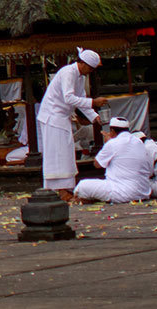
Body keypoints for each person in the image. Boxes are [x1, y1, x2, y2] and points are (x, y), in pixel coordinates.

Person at [38, 48, 109, 199]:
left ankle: (66, 186)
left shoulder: (80, 77)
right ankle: (57, 188)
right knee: (57, 152)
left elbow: (80, 98)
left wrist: (94, 116)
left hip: (62, 116)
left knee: (67, 151)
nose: (90, 71)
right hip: (52, 115)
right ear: (82, 64)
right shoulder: (68, 72)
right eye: (90, 68)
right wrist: (94, 101)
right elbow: (69, 98)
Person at [75, 117, 153, 202]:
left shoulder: (113, 143)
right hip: (144, 192)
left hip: (123, 192)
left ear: (112, 131)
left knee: (83, 185)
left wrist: (107, 143)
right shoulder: (139, 142)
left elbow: (97, 164)